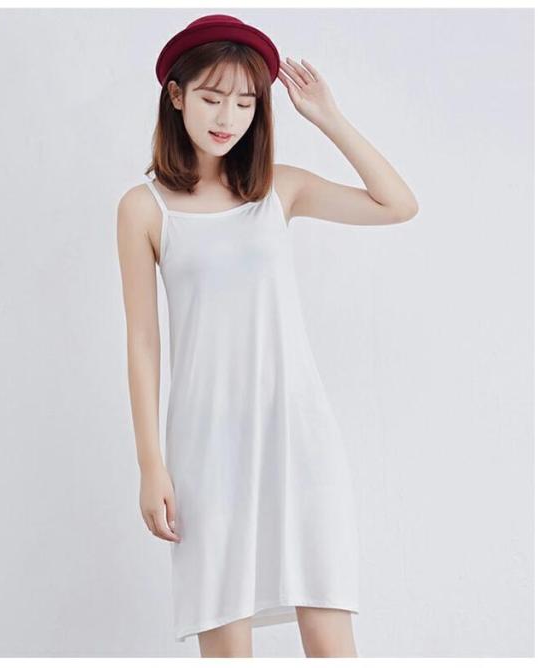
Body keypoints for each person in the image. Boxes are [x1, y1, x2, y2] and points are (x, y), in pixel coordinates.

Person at [116, 13, 418, 658]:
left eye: (246, 101)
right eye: (212, 97)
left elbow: (398, 205)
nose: (228, 116)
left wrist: (329, 118)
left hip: (297, 432)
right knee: (226, 640)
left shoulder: (279, 189)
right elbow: (143, 343)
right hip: (206, 444)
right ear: (176, 95)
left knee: (332, 635)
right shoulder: (144, 207)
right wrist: (150, 464)